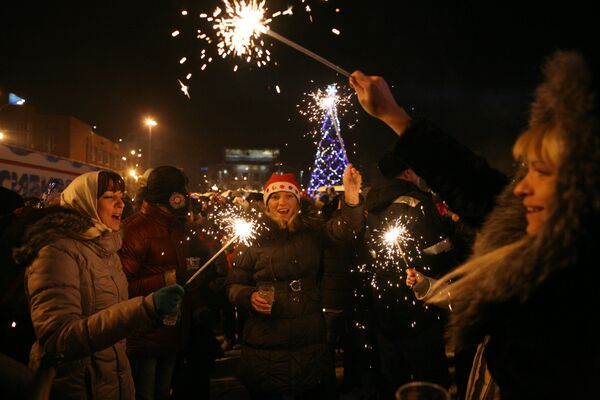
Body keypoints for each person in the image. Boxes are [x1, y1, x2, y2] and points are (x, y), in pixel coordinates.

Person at [350, 50, 599, 399]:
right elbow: (479, 187)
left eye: (540, 172)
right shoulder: (534, 241)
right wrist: (395, 117)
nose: (522, 188)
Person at [14, 170, 184, 399]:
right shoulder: (56, 252)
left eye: (121, 196)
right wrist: (144, 308)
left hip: (113, 380)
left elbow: (112, 315)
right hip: (78, 386)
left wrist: (149, 316)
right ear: (84, 201)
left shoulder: (106, 248)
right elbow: (59, 339)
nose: (120, 204)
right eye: (108, 196)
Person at [226, 165, 364, 399]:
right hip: (266, 343)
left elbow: (346, 229)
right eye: (276, 197)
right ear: (267, 202)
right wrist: (247, 296)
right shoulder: (251, 239)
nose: (282, 202)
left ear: (298, 202)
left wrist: (351, 197)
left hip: (309, 340)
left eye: (289, 196)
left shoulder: (313, 231)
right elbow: (232, 285)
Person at [363, 161, 458, 398]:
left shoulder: (373, 205)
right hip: (420, 302)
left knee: (394, 375)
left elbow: (370, 251)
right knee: (429, 375)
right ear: (407, 173)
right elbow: (440, 251)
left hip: (384, 301)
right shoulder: (418, 202)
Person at [118, 165, 200, 400]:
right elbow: (122, 285)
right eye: (182, 190)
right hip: (144, 333)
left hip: (171, 329)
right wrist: (167, 279)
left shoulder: (174, 226)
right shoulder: (135, 229)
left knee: (163, 392)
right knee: (144, 394)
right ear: (174, 196)